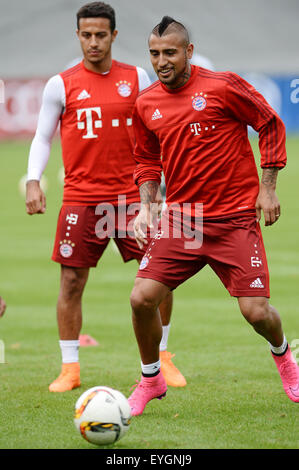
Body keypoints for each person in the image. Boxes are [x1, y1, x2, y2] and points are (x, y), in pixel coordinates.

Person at [127, 16, 299, 416]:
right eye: (154, 53)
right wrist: (148, 206)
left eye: (170, 52)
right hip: (182, 221)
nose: (161, 61)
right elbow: (146, 160)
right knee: (141, 298)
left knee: (256, 312)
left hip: (235, 219)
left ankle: (286, 359)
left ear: (188, 51)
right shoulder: (146, 102)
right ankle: (151, 379)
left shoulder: (221, 86)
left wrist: (268, 187)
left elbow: (270, 123)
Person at [25, 3, 186, 392]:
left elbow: (158, 129)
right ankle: (70, 369)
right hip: (81, 198)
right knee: (71, 282)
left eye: (101, 34)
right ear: (78, 35)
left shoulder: (137, 76)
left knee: (160, 278)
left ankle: (163, 359)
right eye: (86, 34)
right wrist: (33, 179)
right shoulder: (60, 84)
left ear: (114, 35)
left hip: (134, 199)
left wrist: (166, 185)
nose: (93, 42)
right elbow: (43, 136)